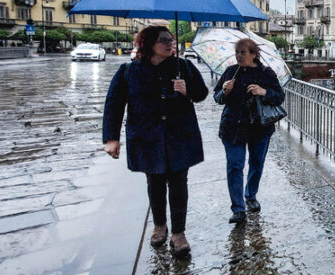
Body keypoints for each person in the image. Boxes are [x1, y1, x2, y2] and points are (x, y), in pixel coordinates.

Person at [102, 25, 208, 257]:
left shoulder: (184, 66)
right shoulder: (130, 71)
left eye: (170, 39)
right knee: (155, 182)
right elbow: (114, 104)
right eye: (163, 40)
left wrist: (186, 90)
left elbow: (202, 94)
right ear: (149, 43)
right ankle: (160, 225)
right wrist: (111, 138)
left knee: (179, 183)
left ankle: (178, 233)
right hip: (147, 136)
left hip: (179, 135)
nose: (170, 43)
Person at [213, 38, 285, 224]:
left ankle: (250, 195)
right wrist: (225, 91)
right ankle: (238, 209)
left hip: (259, 128)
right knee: (235, 166)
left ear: (253, 54)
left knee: (256, 163)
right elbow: (217, 98)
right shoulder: (230, 71)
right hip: (232, 127)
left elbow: (279, 96)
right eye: (237, 52)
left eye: (243, 52)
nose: (238, 56)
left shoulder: (266, 73)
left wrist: (264, 92)